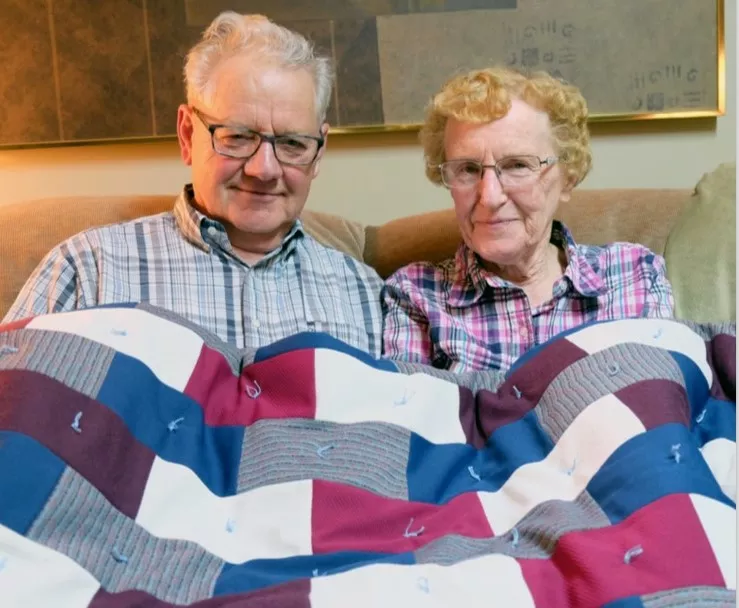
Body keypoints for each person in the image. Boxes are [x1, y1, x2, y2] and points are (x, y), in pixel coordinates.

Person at [3, 12, 384, 356]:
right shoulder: (89, 269)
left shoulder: (364, 294)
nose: (264, 170)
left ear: (318, 152)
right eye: (237, 137)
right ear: (187, 135)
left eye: (292, 144)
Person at [382, 66, 674, 372]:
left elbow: (658, 406)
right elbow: (408, 416)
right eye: (467, 169)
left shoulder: (634, 276)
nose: (490, 196)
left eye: (517, 165)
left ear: (568, 177)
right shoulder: (416, 296)